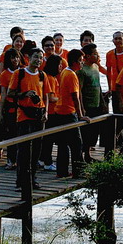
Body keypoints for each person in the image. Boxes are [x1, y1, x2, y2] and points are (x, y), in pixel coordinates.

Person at [9, 48, 53, 190]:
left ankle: (32, 178)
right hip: (24, 114)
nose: (38, 60)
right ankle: (21, 181)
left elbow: (46, 95)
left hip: (39, 114)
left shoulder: (42, 75)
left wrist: (46, 112)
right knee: (24, 149)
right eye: (35, 57)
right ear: (29, 58)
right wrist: (24, 94)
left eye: (40, 58)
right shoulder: (19, 73)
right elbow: (10, 93)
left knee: (36, 149)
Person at [50, 49, 89, 177]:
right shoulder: (71, 75)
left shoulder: (65, 72)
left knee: (63, 144)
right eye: (81, 61)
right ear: (75, 62)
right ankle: (78, 171)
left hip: (60, 111)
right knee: (76, 143)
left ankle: (62, 171)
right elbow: (75, 97)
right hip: (68, 112)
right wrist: (80, 115)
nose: (82, 63)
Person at [77, 43, 103, 162]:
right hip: (87, 105)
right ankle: (83, 156)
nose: (97, 56)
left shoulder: (96, 67)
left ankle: (88, 155)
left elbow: (98, 86)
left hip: (96, 104)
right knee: (85, 132)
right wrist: (81, 108)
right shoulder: (82, 71)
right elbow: (79, 90)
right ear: (87, 56)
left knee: (94, 132)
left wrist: (102, 102)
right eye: (95, 54)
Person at [38, 54, 62, 171]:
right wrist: (62, 98)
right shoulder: (51, 79)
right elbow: (51, 98)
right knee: (49, 139)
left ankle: (42, 159)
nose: (61, 67)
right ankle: (48, 162)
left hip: (46, 111)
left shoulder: (45, 76)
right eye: (60, 65)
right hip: (51, 112)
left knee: (46, 138)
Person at [0, 48, 21, 170]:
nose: (15, 60)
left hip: (24, 107)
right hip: (11, 107)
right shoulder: (5, 74)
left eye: (17, 57)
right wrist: (1, 112)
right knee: (11, 134)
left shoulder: (24, 71)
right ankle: (11, 160)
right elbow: (3, 94)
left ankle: (21, 159)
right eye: (12, 57)